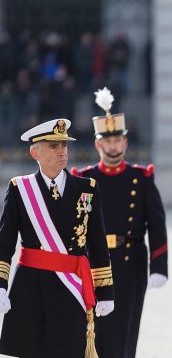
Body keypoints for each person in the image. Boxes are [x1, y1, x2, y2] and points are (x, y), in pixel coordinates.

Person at [0, 118, 115, 358]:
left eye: (64, 145)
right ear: (35, 153)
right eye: (53, 146)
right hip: (31, 288)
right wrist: (0, 285)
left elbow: (97, 242)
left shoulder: (87, 189)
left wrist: (105, 292)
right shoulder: (20, 189)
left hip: (70, 286)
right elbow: (5, 242)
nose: (61, 151)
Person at [72, 88, 168, 358]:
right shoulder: (84, 179)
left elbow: (157, 223)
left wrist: (159, 266)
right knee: (94, 331)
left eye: (117, 141)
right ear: (97, 144)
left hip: (130, 263)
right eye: (107, 141)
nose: (113, 146)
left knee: (125, 332)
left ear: (125, 143)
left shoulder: (141, 177)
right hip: (92, 263)